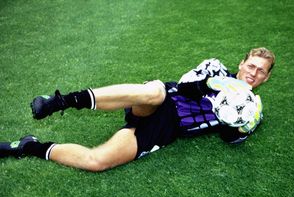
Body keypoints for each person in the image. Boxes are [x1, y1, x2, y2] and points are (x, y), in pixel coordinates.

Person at [0, 47, 275, 172]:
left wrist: (243, 125)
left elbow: (230, 137)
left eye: (261, 71)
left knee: (97, 162)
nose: (253, 73)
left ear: (266, 78)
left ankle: (27, 146)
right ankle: (61, 101)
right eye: (251, 66)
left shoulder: (252, 109)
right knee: (153, 91)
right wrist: (213, 84)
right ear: (241, 63)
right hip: (163, 101)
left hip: (167, 129)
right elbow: (185, 86)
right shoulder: (215, 67)